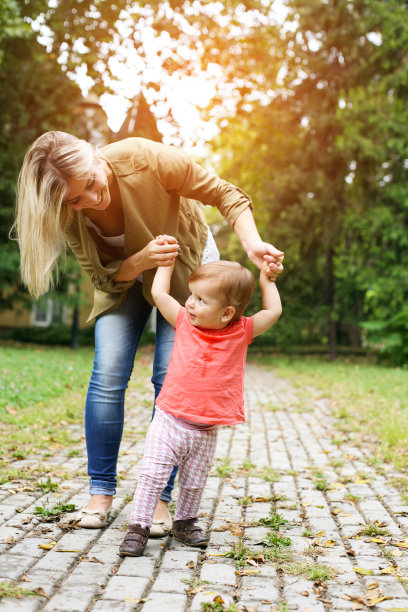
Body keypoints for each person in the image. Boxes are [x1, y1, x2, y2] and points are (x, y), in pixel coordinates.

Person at [14, 131, 284, 532]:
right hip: (125, 280)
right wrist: (140, 259)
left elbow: (225, 192)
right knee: (108, 373)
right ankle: (100, 491)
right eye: (75, 200)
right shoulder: (65, 209)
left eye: (90, 183)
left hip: (187, 272)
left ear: (93, 154)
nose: (91, 200)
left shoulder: (145, 159)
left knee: (170, 376)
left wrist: (252, 243)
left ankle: (160, 497)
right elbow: (103, 278)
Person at [119, 258, 282, 556]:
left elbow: (273, 311)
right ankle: (138, 527)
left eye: (200, 299)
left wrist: (266, 280)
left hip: (206, 430)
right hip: (169, 421)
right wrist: (165, 265)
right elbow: (160, 296)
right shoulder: (183, 321)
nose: (190, 303)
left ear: (227, 313)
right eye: (191, 295)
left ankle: (185, 522)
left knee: (195, 482)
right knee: (153, 475)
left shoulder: (241, 331)